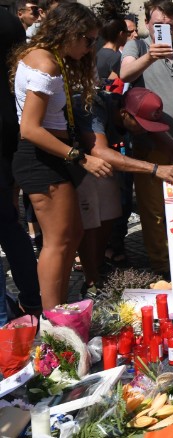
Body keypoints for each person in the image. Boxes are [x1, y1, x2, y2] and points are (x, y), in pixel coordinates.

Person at [10, 2, 112, 309]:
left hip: (50, 156)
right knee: (58, 241)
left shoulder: (46, 57)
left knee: (72, 234)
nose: (91, 47)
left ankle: (59, 310)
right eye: (88, 40)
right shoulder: (46, 64)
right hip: (40, 158)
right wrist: (81, 157)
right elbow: (29, 128)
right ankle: (53, 319)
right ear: (69, 33)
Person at [74, 87, 173, 294]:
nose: (144, 130)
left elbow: (172, 147)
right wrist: (155, 169)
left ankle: (99, 264)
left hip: (105, 164)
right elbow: (99, 151)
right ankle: (91, 279)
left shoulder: (139, 112)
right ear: (123, 114)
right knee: (91, 221)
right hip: (78, 161)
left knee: (112, 213)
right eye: (141, 124)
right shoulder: (93, 106)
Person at [120, 0, 173, 277]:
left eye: (169, 27)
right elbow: (125, 74)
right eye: (158, 26)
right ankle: (162, 269)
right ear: (148, 25)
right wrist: (151, 57)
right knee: (155, 214)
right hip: (151, 144)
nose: (164, 32)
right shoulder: (139, 46)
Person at [0, 0, 41, 320]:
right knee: (11, 227)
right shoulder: (10, 22)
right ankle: (31, 298)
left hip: (8, 133)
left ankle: (6, 313)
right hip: (9, 132)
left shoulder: (9, 22)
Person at [96, 5, 129, 83]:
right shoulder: (116, 57)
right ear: (121, 34)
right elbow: (114, 85)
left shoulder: (100, 52)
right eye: (127, 32)